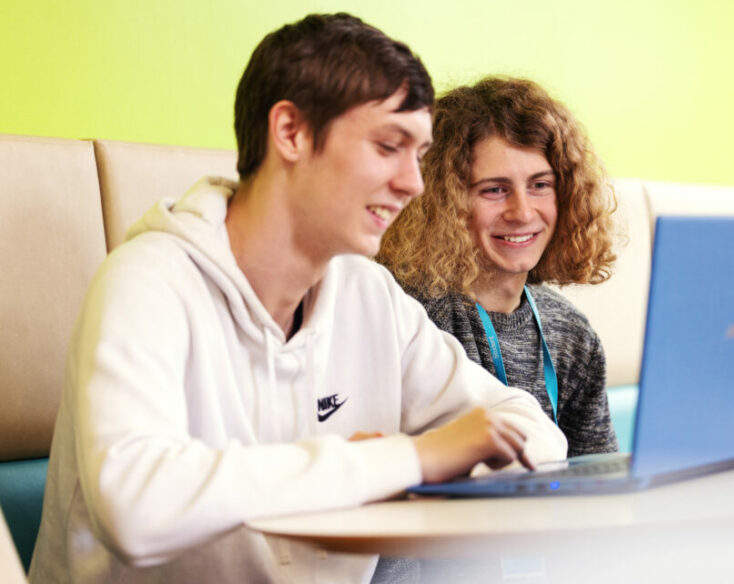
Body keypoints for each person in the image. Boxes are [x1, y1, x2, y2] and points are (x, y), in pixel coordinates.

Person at [29, 14, 565, 584]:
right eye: (389, 146)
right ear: (290, 132)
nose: (414, 182)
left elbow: (534, 432)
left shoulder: (368, 293)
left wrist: (411, 480)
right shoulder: (146, 282)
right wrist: (404, 459)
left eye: (418, 154)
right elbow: (136, 508)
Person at [378, 77, 619, 458]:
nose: (522, 212)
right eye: (494, 190)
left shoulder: (571, 332)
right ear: (443, 202)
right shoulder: (410, 315)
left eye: (540, 185)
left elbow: (600, 478)